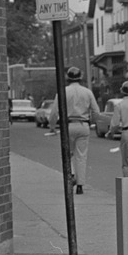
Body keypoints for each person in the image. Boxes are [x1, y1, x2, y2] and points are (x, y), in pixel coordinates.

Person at [47, 66, 100, 195]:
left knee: (67, 154)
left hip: (67, 125)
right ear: (80, 78)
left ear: (67, 78)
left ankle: (70, 175)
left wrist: (52, 127)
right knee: (81, 155)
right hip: (83, 125)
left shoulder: (62, 92)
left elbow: (54, 112)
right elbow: (96, 111)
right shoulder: (87, 92)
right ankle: (80, 185)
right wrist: (92, 122)